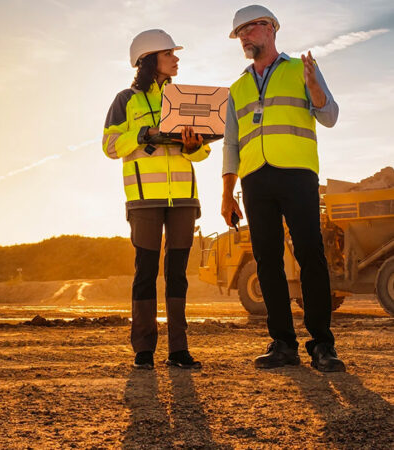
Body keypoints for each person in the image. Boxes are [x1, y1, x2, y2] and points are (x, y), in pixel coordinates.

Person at [221, 5, 345, 372]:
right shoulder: (237, 87)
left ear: (271, 29)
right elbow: (230, 145)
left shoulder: (300, 70)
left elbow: (330, 116)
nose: (245, 36)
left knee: (310, 254)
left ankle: (323, 345)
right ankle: (283, 344)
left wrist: (315, 91)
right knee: (266, 261)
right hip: (255, 178)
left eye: (251, 28)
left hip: (297, 173)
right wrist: (228, 194)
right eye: (240, 32)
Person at [103, 29, 210, 370]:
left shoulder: (184, 98)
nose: (177, 59)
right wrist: (140, 135)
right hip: (144, 200)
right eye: (170, 53)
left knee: (178, 274)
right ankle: (144, 350)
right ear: (150, 59)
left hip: (182, 199)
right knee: (145, 272)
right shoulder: (125, 100)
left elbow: (202, 151)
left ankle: (178, 350)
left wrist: (194, 146)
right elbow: (109, 146)